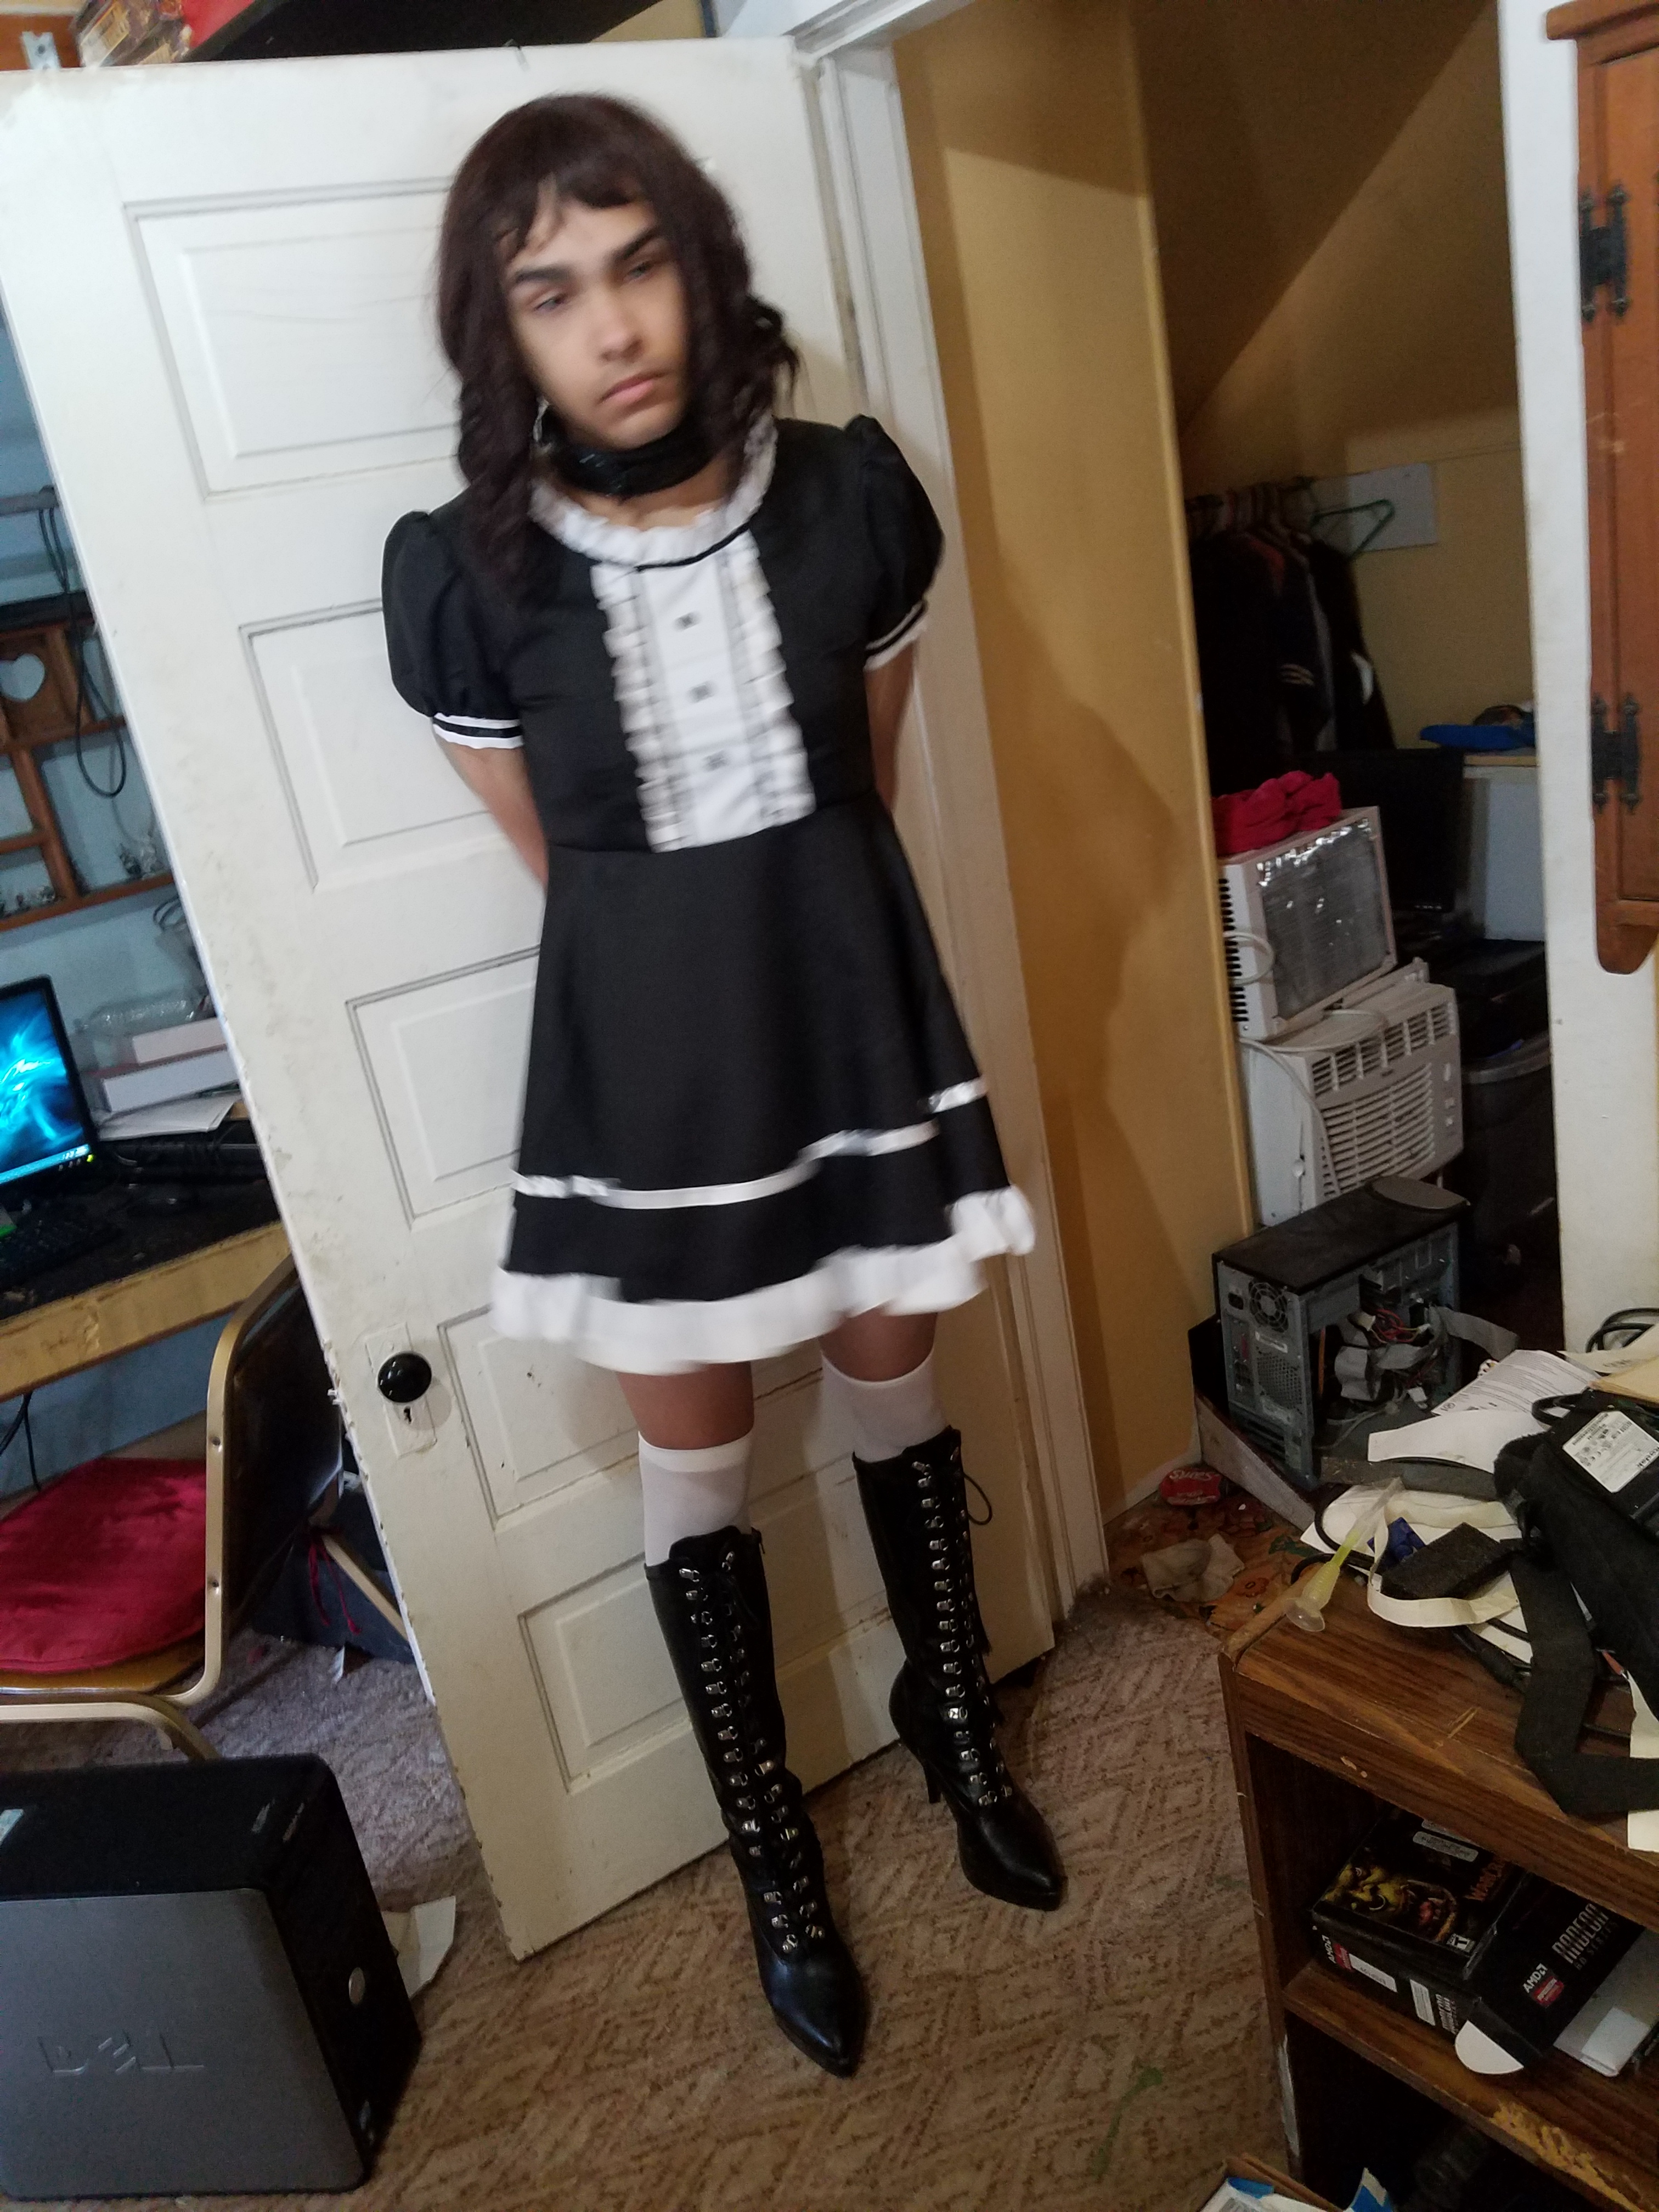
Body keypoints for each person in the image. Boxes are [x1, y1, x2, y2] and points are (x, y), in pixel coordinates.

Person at [382, 93, 1063, 2081]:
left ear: (702, 266)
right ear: (501, 334)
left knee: (893, 1383)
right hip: (650, 1079)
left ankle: (954, 1719)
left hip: (852, 1027)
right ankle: (776, 1853)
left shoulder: (851, 500)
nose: (612, 324)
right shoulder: (467, 575)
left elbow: (868, 783)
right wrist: (687, 971)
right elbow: (566, 864)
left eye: (641, 263)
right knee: (693, 1457)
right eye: (552, 291)